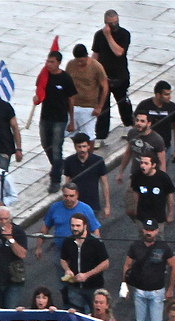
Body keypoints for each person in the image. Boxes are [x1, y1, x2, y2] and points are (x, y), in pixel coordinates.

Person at [121, 218, 175, 321]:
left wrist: (171, 288)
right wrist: (124, 285)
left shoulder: (163, 247)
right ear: (142, 230)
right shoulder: (135, 246)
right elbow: (127, 264)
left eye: (151, 230)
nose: (148, 232)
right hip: (139, 291)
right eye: (146, 229)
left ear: (157, 231)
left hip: (157, 292)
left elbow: (174, 266)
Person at [34, 50, 77, 194]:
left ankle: (56, 179)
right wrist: (36, 98)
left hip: (60, 118)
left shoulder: (65, 78)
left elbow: (71, 99)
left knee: (57, 148)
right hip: (45, 117)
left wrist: (71, 120)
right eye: (48, 61)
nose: (49, 64)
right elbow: (39, 90)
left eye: (52, 62)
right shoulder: (45, 76)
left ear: (59, 63)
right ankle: (58, 166)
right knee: (46, 144)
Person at [92, 9, 133, 145]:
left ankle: (129, 125)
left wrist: (109, 36)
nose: (113, 25)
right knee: (103, 106)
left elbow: (119, 52)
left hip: (120, 76)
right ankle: (101, 136)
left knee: (123, 102)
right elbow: (96, 55)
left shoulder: (124, 34)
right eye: (111, 23)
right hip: (104, 77)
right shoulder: (99, 35)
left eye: (115, 22)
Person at [60, 214, 109, 314]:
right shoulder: (68, 241)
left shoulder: (96, 242)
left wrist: (87, 275)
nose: (75, 228)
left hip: (93, 287)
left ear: (85, 226)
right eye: (73, 225)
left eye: (78, 226)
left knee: (96, 315)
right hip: (74, 287)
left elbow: (105, 263)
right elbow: (63, 259)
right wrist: (67, 270)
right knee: (75, 316)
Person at [65, 44, 109, 149]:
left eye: (82, 61)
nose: (79, 63)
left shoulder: (96, 67)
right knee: (70, 132)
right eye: (77, 61)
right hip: (73, 105)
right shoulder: (70, 65)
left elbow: (105, 87)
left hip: (89, 106)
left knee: (89, 134)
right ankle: (79, 151)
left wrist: (99, 107)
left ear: (87, 56)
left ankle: (90, 156)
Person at [64, 132, 110, 218]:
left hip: (92, 205)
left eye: (84, 146)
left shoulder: (98, 161)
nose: (82, 149)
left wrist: (107, 205)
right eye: (79, 147)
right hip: (75, 205)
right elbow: (67, 182)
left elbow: (104, 183)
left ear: (89, 146)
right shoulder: (69, 161)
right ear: (75, 147)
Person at [135, 80, 175, 164]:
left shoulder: (171, 107)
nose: (169, 97)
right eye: (166, 94)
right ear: (158, 95)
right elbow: (136, 125)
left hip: (164, 148)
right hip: (146, 149)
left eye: (169, 94)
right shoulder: (144, 105)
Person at [130, 153, 175, 235]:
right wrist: (135, 208)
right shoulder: (137, 176)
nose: (143, 166)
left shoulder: (163, 178)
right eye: (141, 163)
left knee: (158, 238)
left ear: (153, 165)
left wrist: (170, 213)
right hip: (142, 215)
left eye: (146, 163)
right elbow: (135, 192)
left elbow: (170, 195)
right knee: (142, 238)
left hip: (158, 216)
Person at [117, 111, 166, 184]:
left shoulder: (157, 139)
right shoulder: (132, 133)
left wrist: (162, 181)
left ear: (149, 123)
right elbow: (128, 153)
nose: (138, 123)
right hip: (135, 175)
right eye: (137, 120)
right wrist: (121, 172)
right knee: (131, 194)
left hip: (151, 178)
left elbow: (162, 162)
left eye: (142, 121)